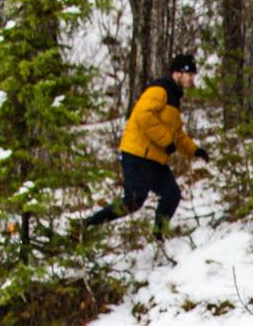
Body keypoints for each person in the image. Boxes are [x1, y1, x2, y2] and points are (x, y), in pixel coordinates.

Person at [83, 53, 208, 240]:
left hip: (155, 158)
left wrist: (194, 150)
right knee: (133, 201)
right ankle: (88, 225)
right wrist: (166, 141)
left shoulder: (173, 97)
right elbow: (144, 116)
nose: (192, 79)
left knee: (171, 194)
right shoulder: (159, 90)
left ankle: (159, 236)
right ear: (178, 73)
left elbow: (177, 134)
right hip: (137, 155)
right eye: (190, 74)